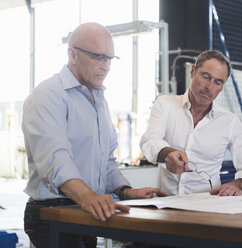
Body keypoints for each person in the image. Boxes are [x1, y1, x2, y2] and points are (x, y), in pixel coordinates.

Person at [22, 22, 167, 248]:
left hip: (84, 209)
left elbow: (106, 162)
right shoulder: (48, 95)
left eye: (110, 59)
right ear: (73, 54)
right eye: (99, 57)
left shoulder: (98, 99)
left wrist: (127, 191)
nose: (106, 66)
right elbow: (55, 159)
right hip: (52, 212)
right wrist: (89, 198)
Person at [140, 50, 242, 196]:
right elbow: (149, 140)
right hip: (166, 204)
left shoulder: (230, 122)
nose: (209, 86)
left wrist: (238, 184)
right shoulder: (165, 105)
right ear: (193, 72)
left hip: (208, 207)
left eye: (218, 82)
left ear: (222, 87)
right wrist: (167, 153)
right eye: (206, 77)